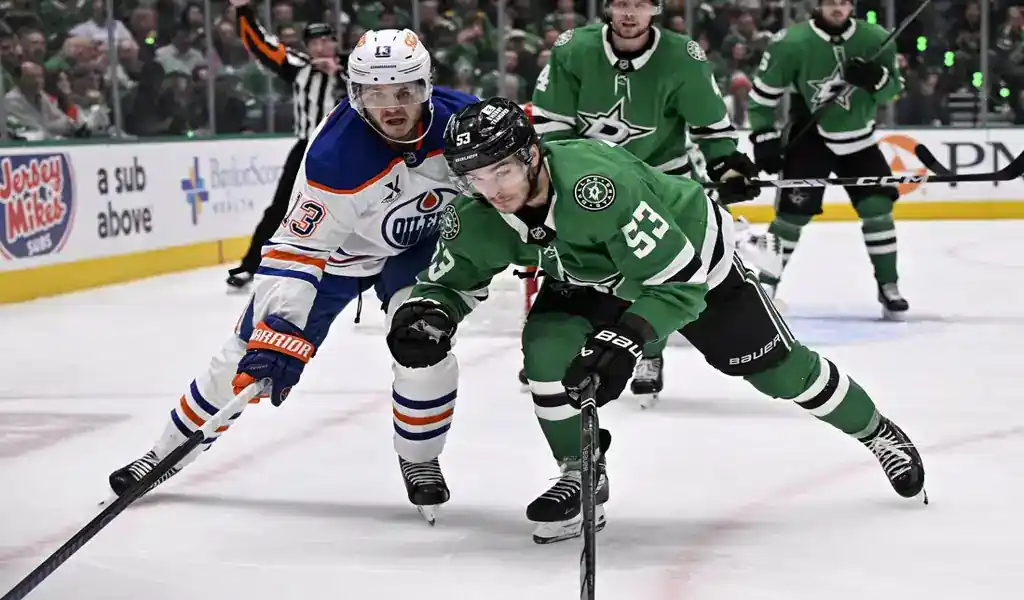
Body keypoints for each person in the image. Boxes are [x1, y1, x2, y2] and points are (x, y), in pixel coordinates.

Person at [386, 98, 926, 544]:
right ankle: (582, 472)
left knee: (784, 375)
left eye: (501, 169)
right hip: (588, 276)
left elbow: (677, 284)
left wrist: (628, 339)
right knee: (547, 353)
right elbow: (452, 281)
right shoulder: (476, 213)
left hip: (692, 263)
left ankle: (877, 432)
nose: (492, 188)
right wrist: (428, 314)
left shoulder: (598, 187)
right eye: (476, 176)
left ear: (532, 156)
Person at [108, 30, 477, 525]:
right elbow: (301, 248)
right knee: (245, 353)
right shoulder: (336, 157)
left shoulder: (464, 123)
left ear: (427, 87)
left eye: (404, 92)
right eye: (375, 93)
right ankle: (163, 453)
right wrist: (280, 328)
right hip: (338, 259)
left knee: (424, 346)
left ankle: (420, 457)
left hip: (418, 249)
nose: (391, 106)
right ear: (355, 93)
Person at [523, 0, 774, 402]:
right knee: (575, 265)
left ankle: (647, 352)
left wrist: (727, 166)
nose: (628, 13)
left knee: (655, 276)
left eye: (639, 4)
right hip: (588, 188)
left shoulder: (682, 56)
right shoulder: (573, 49)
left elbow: (710, 126)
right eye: (621, 3)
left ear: (655, 9)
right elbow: (551, 127)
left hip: (661, 187)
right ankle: (556, 349)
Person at [749, 0, 908, 319]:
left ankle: (888, 285)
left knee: (878, 209)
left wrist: (876, 80)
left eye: (844, 2)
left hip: (859, 138)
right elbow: (761, 99)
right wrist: (764, 137)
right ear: (818, 5)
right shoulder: (790, 42)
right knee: (790, 217)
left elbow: (892, 91)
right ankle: (764, 286)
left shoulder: (875, 38)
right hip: (810, 138)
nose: (838, 8)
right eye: (831, 2)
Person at [225, 0, 346, 290]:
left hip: (343, 149)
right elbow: (262, 45)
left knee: (355, 207)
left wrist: (339, 74)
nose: (319, 47)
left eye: (325, 41)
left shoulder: (354, 69)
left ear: (333, 43)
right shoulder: (298, 67)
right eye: (313, 42)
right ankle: (250, 265)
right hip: (306, 147)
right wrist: (244, 11)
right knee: (280, 208)